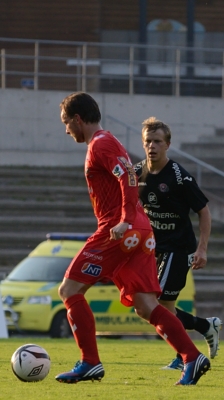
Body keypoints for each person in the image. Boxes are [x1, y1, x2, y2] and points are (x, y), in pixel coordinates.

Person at [55, 91, 210, 386]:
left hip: (120, 229)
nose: (66, 130)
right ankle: (192, 357)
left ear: (77, 119)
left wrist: (124, 220)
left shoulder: (100, 143)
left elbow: (127, 175)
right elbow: (129, 173)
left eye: (67, 123)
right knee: (145, 305)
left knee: (69, 289)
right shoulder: (105, 142)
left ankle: (89, 363)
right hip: (140, 231)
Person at [134, 116, 222, 371]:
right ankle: (205, 327)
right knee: (151, 308)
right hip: (153, 249)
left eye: (158, 141)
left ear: (168, 145)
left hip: (178, 248)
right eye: (148, 141)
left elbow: (204, 211)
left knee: (156, 305)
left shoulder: (179, 176)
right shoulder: (138, 172)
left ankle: (184, 354)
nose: (152, 146)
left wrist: (202, 248)